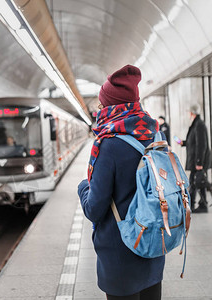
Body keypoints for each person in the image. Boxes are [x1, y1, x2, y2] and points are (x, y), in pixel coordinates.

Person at [78, 65, 164, 300]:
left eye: (102, 104)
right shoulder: (156, 134)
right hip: (153, 244)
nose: (100, 109)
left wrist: (83, 187)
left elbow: (94, 209)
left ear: (111, 106)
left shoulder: (109, 145)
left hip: (121, 252)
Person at [180, 104, 211, 213]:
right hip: (196, 160)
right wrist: (183, 142)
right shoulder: (196, 124)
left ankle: (193, 205)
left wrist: (199, 162)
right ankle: (201, 204)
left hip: (198, 161)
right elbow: (193, 142)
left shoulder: (199, 125)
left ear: (192, 113)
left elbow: (201, 144)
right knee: (198, 181)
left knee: (194, 182)